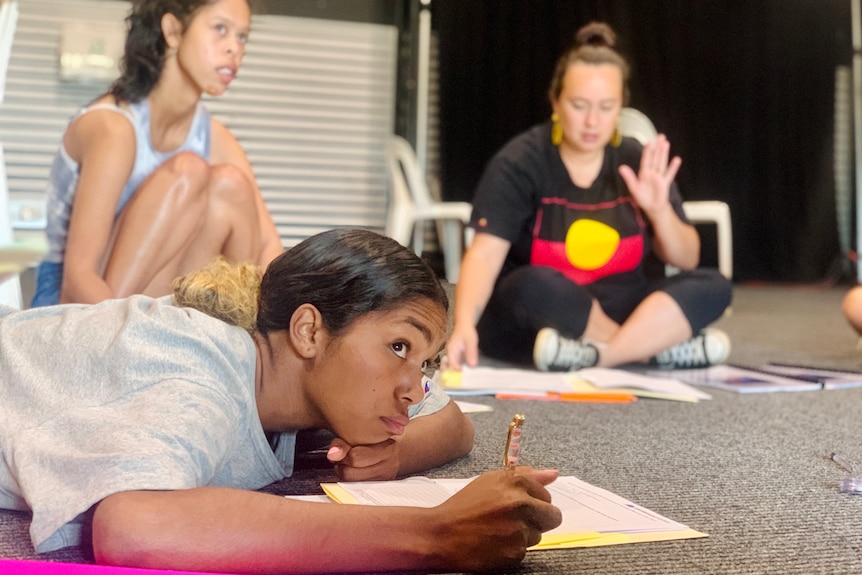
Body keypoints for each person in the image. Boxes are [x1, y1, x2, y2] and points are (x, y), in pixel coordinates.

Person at [0, 228, 562, 573]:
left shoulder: (292, 381)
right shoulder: (205, 372)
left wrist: (392, 451)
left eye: (426, 363)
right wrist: (434, 533)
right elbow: (134, 526)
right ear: (310, 331)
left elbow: (453, 424)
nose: (415, 387)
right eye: (398, 347)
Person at [446, 22, 733, 373]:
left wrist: (659, 211)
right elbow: (485, 255)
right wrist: (461, 325)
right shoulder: (520, 161)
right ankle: (649, 350)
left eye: (606, 106)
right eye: (579, 105)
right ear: (556, 102)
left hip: (624, 302)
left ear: (620, 108)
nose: (593, 121)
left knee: (713, 285)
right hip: (551, 305)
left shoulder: (636, 159)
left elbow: (687, 258)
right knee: (529, 285)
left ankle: (599, 355)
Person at [30, 0, 283, 307]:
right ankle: (130, 347)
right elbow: (77, 280)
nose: (234, 48)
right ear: (173, 31)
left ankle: (235, 339)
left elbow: (269, 246)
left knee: (232, 185)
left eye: (242, 36)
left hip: (146, 305)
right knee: (187, 172)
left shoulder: (213, 135)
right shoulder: (114, 128)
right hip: (75, 307)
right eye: (220, 29)